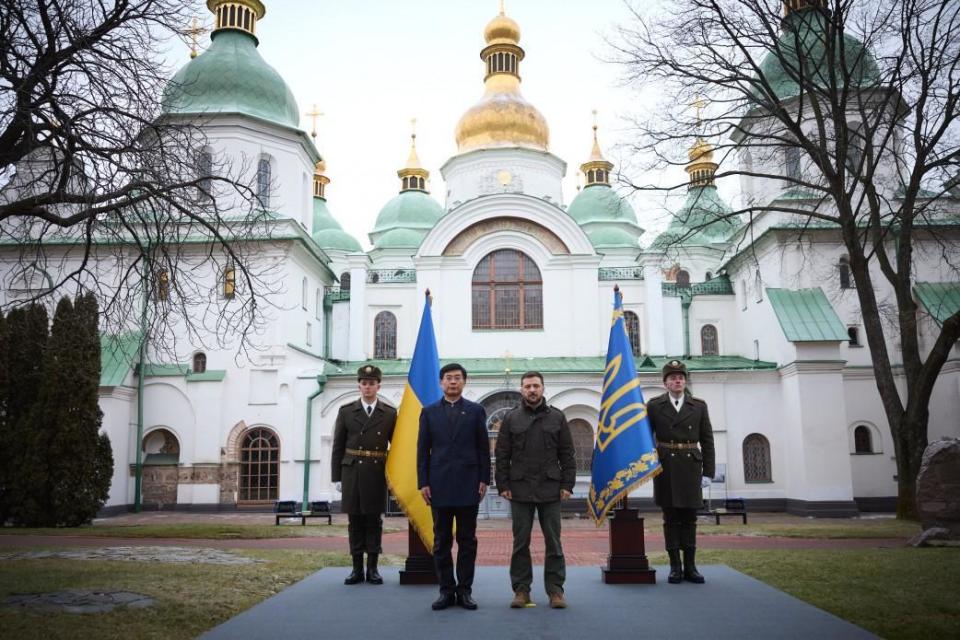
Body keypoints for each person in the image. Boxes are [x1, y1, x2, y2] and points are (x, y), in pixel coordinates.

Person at [495, 371, 575, 609]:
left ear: (543, 388)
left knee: (554, 542)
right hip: (519, 489)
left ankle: (555, 591)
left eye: (536, 386)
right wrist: (503, 484)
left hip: (551, 489)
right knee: (521, 543)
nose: (532, 390)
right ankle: (521, 590)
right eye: (528, 386)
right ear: (521, 389)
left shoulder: (557, 418)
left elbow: (567, 455)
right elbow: (502, 455)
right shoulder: (511, 419)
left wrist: (567, 484)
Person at [417, 363, 490, 610]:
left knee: (467, 541)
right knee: (441, 541)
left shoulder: (476, 410)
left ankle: (465, 591)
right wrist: (423, 482)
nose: (453, 382)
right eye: (448, 378)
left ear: (464, 382)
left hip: (469, 484)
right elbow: (422, 452)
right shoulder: (428, 412)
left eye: (457, 378)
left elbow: (483, 449)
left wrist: (484, 479)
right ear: (441, 382)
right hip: (438, 485)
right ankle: (446, 591)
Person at [648, 360, 715, 584]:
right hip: (666, 465)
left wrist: (708, 472)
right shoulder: (655, 405)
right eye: (673, 378)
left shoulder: (699, 406)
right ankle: (675, 567)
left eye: (681, 377)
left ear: (685, 381)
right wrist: (647, 466)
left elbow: (707, 441)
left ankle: (691, 567)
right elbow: (647, 438)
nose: (677, 381)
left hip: (690, 466)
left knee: (689, 519)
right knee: (670, 519)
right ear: (665, 383)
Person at [331, 365, 397, 585]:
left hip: (376, 471)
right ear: (359, 385)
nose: (368, 387)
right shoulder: (346, 411)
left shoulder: (389, 413)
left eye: (372, 383)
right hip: (352, 471)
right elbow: (338, 446)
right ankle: (356, 569)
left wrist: (394, 476)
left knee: (374, 521)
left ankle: (373, 569)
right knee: (355, 521)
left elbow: (395, 447)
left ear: (379, 385)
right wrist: (336, 477)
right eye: (364, 383)